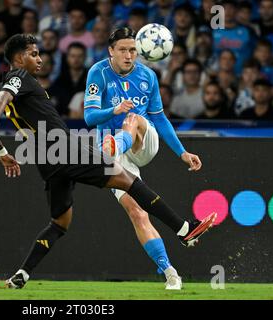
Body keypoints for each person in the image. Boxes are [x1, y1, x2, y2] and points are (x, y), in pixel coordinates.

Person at [0, 33, 217, 290]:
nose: (39, 58)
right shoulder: (19, 77)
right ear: (18, 58)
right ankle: (183, 229)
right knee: (128, 181)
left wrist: (2, 153)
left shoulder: (6, 86)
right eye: (34, 54)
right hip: (64, 148)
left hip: (46, 160)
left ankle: (22, 274)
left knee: (59, 223)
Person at [83, 27, 215, 290]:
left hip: (143, 141)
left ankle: (114, 145)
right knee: (138, 213)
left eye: (133, 50)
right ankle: (171, 272)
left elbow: (160, 118)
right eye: (123, 50)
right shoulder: (98, 73)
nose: (129, 55)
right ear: (111, 51)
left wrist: (182, 152)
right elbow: (89, 118)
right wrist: (114, 109)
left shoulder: (148, 77)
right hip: (117, 153)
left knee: (133, 119)